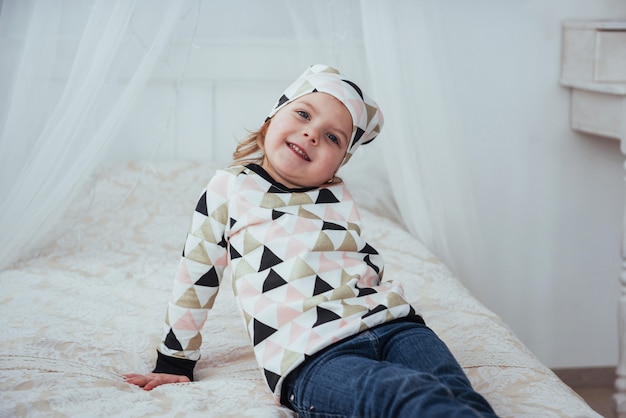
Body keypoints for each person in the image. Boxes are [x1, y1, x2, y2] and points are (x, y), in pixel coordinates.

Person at [124, 64, 499, 418]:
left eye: (333, 137)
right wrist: (175, 360)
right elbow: (197, 272)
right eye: (303, 114)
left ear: (338, 164)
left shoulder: (337, 195)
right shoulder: (232, 186)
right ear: (272, 117)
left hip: (397, 326)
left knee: (457, 393)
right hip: (311, 352)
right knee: (404, 395)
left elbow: (359, 257)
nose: (312, 133)